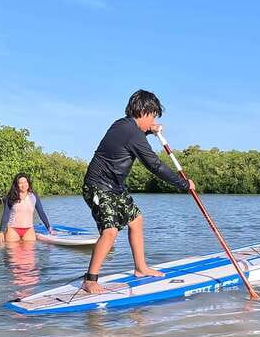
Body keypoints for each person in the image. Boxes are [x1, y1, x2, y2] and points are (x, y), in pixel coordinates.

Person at [81, 89, 195, 294]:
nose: (153, 120)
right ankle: (90, 280)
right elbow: (155, 166)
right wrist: (183, 184)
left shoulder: (123, 125)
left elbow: (135, 137)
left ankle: (141, 268)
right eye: (152, 115)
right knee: (110, 231)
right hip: (98, 186)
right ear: (144, 111)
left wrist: (149, 131)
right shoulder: (132, 132)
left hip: (115, 188)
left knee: (136, 220)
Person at [0, 173, 52, 243]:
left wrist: (49, 227)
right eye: (20, 183)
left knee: (29, 253)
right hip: (13, 229)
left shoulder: (34, 196)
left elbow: (41, 213)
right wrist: (1, 232)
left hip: (29, 230)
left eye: (25, 182)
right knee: (13, 253)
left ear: (28, 183)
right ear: (16, 185)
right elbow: (6, 214)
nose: (24, 185)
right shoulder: (11, 197)